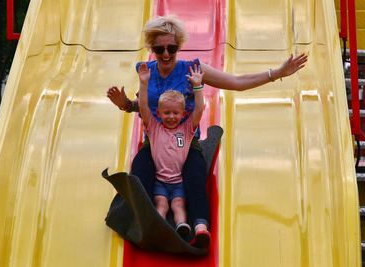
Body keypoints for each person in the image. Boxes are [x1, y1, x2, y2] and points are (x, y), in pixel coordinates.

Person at [107, 15, 308, 248]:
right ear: (152, 48)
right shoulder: (145, 72)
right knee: (139, 174)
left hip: (184, 140)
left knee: (195, 173)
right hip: (155, 141)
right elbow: (142, 106)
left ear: (178, 46)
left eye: (171, 48)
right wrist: (124, 104)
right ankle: (145, 223)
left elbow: (236, 82)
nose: (165, 54)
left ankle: (199, 226)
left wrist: (277, 73)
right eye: (159, 48)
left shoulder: (192, 69)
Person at [136, 61, 205, 241]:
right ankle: (159, 226)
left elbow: (199, 109)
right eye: (166, 113)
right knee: (161, 204)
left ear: (183, 114)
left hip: (178, 181)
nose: (171, 117)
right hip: (159, 180)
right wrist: (144, 84)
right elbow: (143, 107)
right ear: (158, 113)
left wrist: (197, 87)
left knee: (178, 204)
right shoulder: (154, 127)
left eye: (175, 113)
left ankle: (182, 226)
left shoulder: (187, 130)